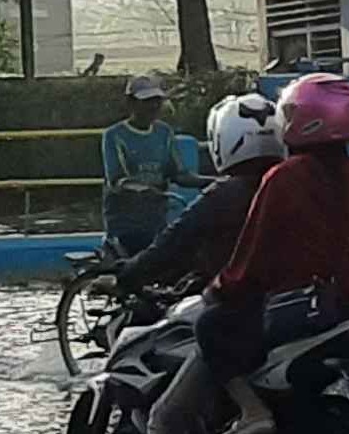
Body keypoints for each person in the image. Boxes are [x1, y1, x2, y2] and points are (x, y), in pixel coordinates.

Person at [134, 74, 349, 434]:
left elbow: (252, 261)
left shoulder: (284, 179)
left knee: (192, 362)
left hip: (297, 312)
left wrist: (219, 290)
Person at [117, 92, 284, 297]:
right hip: (294, 298)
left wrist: (125, 275)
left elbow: (173, 243)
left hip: (238, 300)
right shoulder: (295, 180)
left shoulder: (223, 197)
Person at [100, 75, 200, 255]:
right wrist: (144, 190)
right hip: (125, 221)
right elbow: (117, 179)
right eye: (146, 101)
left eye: (157, 101)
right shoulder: (114, 135)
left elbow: (179, 174)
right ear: (131, 103)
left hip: (156, 218)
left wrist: (216, 181)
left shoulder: (164, 132)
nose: (153, 107)